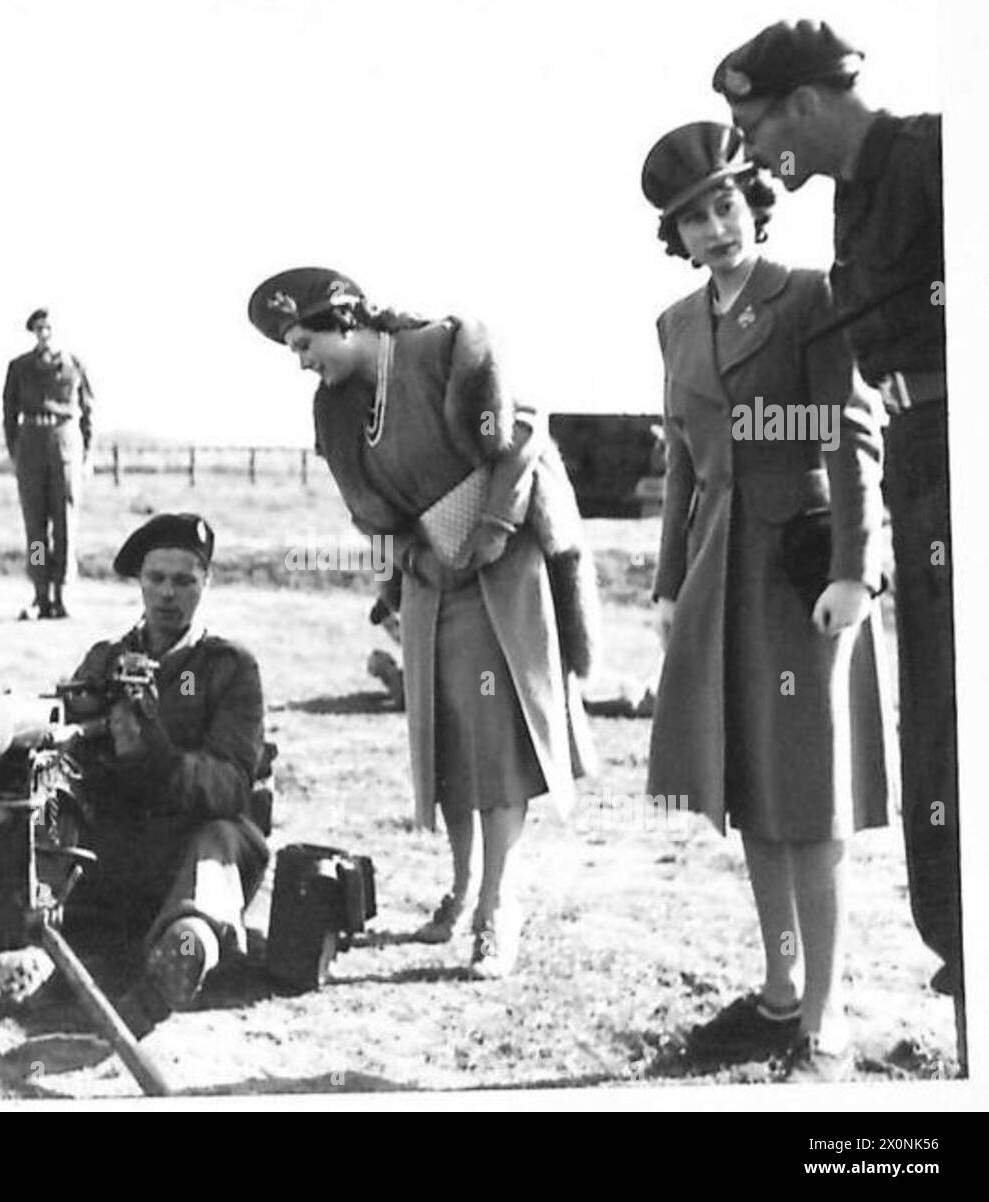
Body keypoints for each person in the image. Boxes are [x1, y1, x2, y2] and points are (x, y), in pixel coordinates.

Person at [712, 16, 964, 1066]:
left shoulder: (943, 158)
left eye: (753, 126)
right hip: (924, 483)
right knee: (943, 750)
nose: (751, 152)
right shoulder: (856, 203)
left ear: (803, 105)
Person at [247, 268, 598, 977]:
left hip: (499, 571)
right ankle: (463, 889)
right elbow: (367, 513)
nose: (301, 359)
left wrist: (496, 526)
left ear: (344, 319)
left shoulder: (445, 351)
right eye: (292, 348)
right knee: (448, 747)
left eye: (304, 340)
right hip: (429, 579)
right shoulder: (335, 410)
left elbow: (523, 433)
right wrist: (404, 564)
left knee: (499, 746)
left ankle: (500, 908)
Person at [642, 122, 894, 1082]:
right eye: (690, 217)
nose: (712, 228)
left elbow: (852, 435)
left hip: (804, 575)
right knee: (749, 791)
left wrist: (853, 570)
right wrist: (669, 583)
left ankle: (827, 1025)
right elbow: (679, 468)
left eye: (723, 204)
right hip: (718, 578)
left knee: (812, 800)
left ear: (755, 199)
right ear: (674, 234)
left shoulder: (810, 298)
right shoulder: (673, 324)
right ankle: (780, 996)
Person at [58, 513, 269, 1038]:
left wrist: (153, 756)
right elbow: (73, 758)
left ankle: (185, 947)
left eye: (184, 581)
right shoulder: (106, 660)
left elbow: (229, 786)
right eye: (156, 579)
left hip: (193, 844)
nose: (167, 594)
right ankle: (39, 943)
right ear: (139, 582)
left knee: (217, 840)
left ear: (206, 584)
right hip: (118, 844)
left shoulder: (230, 667)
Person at [2, 307, 94, 620]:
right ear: (33, 332)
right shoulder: (19, 367)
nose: (44, 334)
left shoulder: (75, 365)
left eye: (49, 328)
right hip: (31, 443)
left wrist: (87, 456)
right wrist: (16, 453)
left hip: (65, 441)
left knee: (65, 522)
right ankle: (40, 593)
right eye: (38, 328)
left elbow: (89, 412)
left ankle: (62, 593)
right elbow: (9, 414)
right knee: (36, 527)